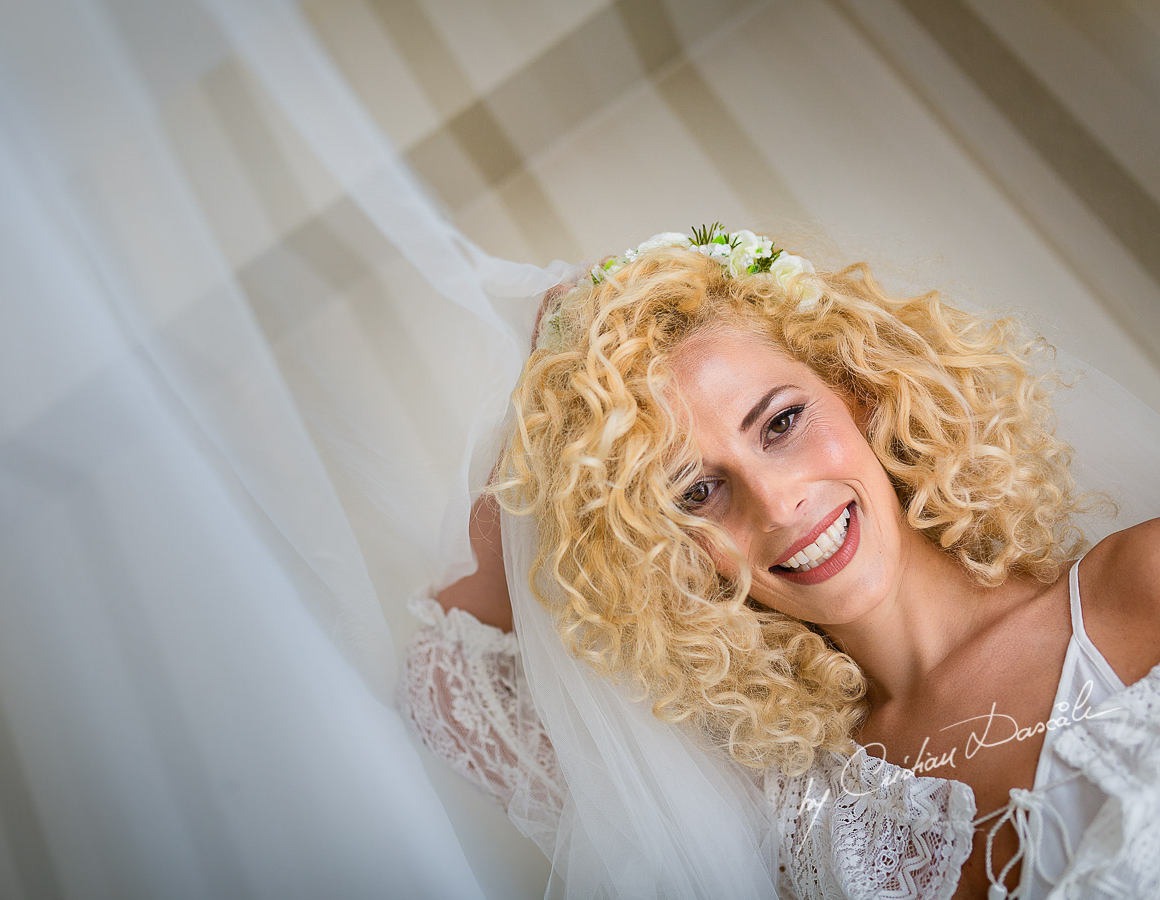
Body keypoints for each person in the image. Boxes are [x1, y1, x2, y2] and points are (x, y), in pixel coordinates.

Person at [398, 226, 1160, 899]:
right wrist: (548, 412)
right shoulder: (789, 819)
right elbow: (444, 686)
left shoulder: (1141, 587)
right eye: (698, 491)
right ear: (667, 554)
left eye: (782, 423)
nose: (772, 503)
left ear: (861, 389)